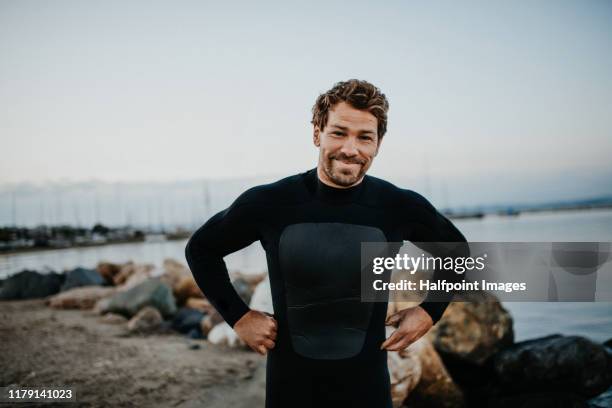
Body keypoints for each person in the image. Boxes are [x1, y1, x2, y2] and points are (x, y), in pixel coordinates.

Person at [185, 79, 468, 407]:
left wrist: (429, 311)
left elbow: (458, 254)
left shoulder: (398, 206)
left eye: (365, 137)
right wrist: (239, 317)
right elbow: (201, 250)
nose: (351, 149)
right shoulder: (271, 203)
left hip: (368, 390)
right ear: (317, 133)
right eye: (339, 133)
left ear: (378, 143)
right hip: (290, 389)